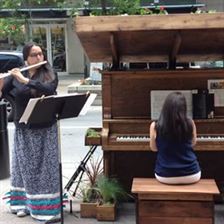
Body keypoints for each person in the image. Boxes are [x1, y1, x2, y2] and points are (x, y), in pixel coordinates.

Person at [0, 42, 60, 221]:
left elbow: (50, 90)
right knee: (25, 169)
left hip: (45, 129)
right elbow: (3, 93)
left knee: (44, 171)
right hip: (24, 129)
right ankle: (24, 204)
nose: (39, 58)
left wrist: (25, 81)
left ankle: (47, 209)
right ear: (26, 59)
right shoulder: (17, 74)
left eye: (41, 54)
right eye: (34, 55)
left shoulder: (49, 74)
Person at [149, 91, 201, 185]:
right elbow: (193, 143)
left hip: (165, 175)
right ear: (184, 108)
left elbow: (154, 148)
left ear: (166, 108)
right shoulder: (190, 123)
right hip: (192, 174)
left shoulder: (155, 126)